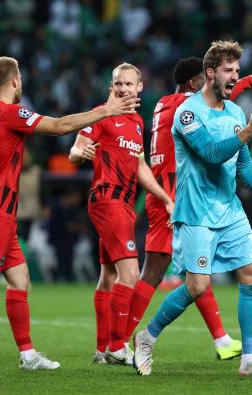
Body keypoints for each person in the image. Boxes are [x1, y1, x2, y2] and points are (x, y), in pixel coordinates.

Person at [0, 56, 139, 373]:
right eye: (21, 80)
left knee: (20, 279)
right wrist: (106, 111)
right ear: (15, 81)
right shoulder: (12, 113)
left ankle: (28, 354)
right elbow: (59, 127)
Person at [132, 40, 252, 377]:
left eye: (238, 70)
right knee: (197, 288)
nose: (235, 76)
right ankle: (146, 338)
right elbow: (210, 152)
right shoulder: (188, 112)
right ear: (210, 73)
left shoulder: (235, 112)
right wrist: (250, 131)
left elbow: (243, 164)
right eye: (228, 70)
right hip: (196, 213)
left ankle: (249, 361)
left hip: (230, 210)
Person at [68, 63, 174, 365]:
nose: (124, 88)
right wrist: (81, 154)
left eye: (129, 84)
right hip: (108, 200)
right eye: (119, 83)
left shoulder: (138, 122)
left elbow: (140, 166)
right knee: (130, 275)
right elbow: (75, 150)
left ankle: (103, 349)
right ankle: (118, 346)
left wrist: (165, 198)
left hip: (124, 204)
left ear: (139, 87)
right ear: (111, 87)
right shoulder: (102, 113)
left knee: (109, 276)